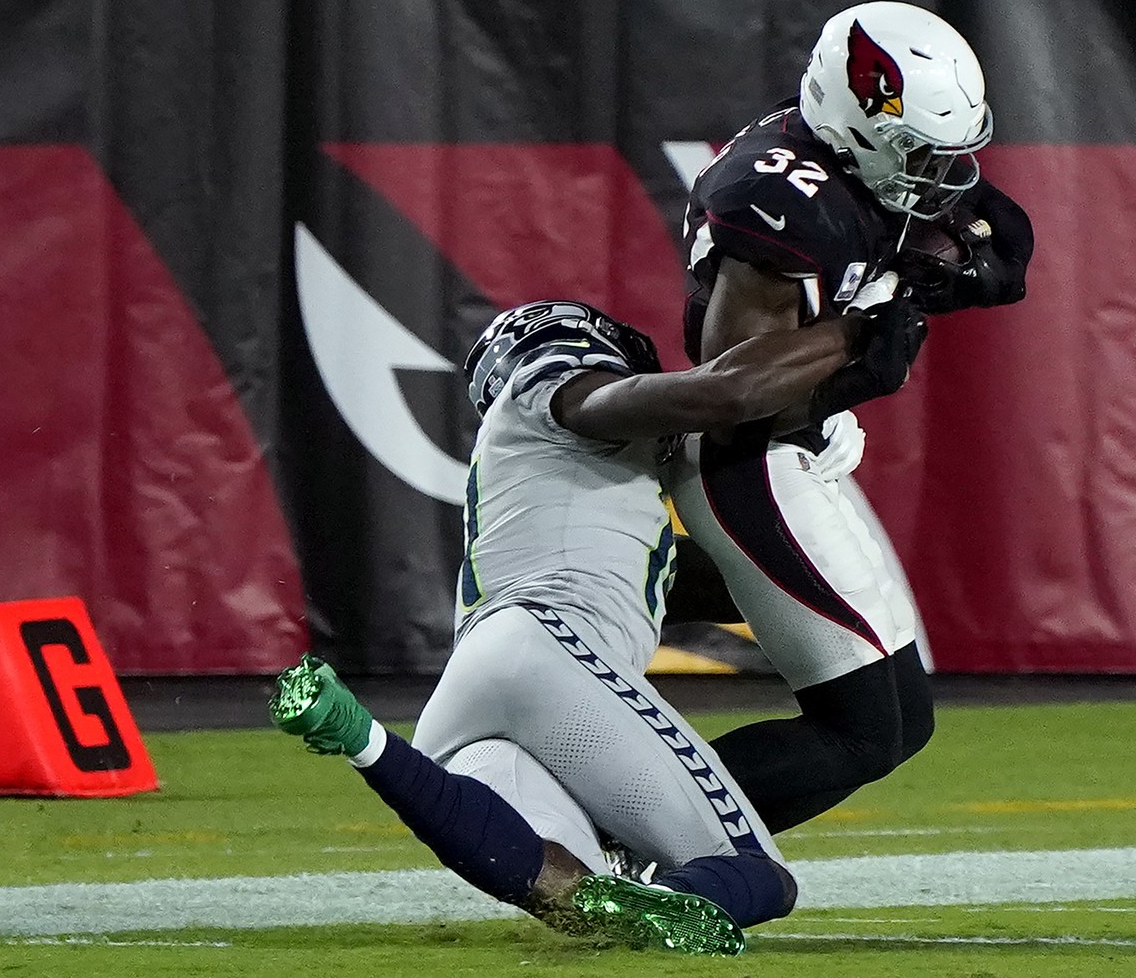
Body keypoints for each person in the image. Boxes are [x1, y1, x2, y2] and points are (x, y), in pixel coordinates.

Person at [270, 296, 925, 954]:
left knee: (574, 892)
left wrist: (798, 469)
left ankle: (363, 741)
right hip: (549, 653)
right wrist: (843, 369)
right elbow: (709, 398)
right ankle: (677, 892)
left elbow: (742, 578)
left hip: (476, 679)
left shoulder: (573, 493)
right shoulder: (555, 389)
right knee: (757, 877)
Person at [667, 1, 1035, 832]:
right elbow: (733, 397)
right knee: (862, 731)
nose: (940, 177)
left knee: (901, 726)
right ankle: (622, 840)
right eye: (920, 155)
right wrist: (859, 353)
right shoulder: (779, 195)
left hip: (803, 449)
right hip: (752, 460)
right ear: (856, 120)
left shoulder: (855, 157)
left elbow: (1000, 238)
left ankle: (639, 821)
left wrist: (931, 273)